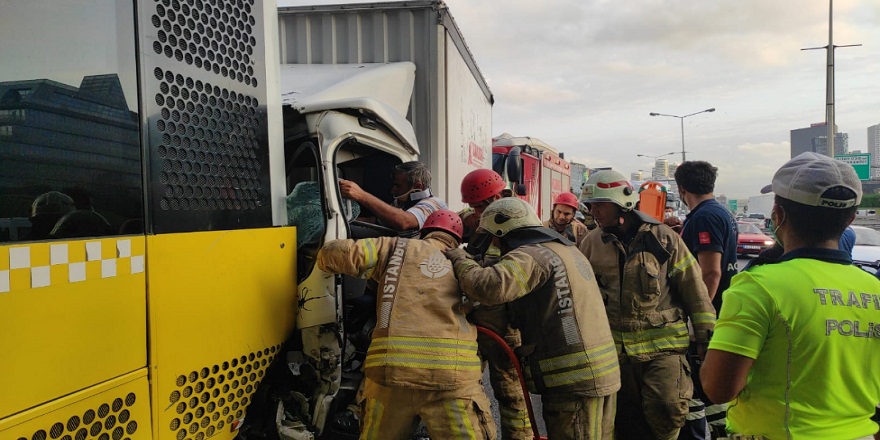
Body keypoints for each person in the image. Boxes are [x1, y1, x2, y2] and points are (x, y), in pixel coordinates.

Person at [701, 152, 880, 440]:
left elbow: (718, 388)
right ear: (850, 218)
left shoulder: (758, 286)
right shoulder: (874, 289)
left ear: (778, 215)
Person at [446, 197, 621, 440]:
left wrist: (458, 257)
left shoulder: (533, 255)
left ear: (503, 231)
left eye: (492, 236)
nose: (494, 243)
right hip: (600, 373)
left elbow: (487, 287)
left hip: (574, 383)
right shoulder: (564, 249)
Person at [316, 210, 495, 440]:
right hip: (451, 377)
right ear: (458, 240)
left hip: (389, 377)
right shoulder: (468, 266)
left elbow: (333, 254)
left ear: (423, 232)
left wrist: (381, 273)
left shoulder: (394, 248)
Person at [577, 170, 716, 440]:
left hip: (663, 351)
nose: (593, 212)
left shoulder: (664, 239)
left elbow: (695, 291)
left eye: (599, 204)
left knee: (667, 409)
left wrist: (705, 339)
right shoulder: (591, 243)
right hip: (613, 353)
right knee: (620, 421)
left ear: (622, 204)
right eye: (590, 205)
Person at [458, 168, 533, 440]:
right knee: (462, 391)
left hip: (507, 331)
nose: (476, 213)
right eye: (473, 207)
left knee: (512, 397)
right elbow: (457, 221)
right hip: (474, 327)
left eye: (481, 206)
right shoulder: (480, 222)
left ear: (498, 197)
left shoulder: (521, 229)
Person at [674, 161, 739, 439]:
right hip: (721, 312)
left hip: (710, 317)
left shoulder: (704, 217)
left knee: (696, 390)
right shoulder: (716, 213)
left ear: (681, 189)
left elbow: (711, 271)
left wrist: (698, 319)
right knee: (708, 392)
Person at [339, 161, 446, 235]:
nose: (393, 190)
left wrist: (361, 195)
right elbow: (378, 221)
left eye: (398, 186)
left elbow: (404, 222)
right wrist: (343, 220)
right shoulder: (401, 203)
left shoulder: (434, 204)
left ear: (418, 187)